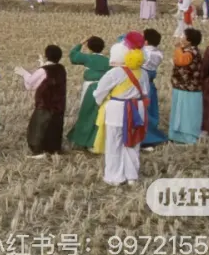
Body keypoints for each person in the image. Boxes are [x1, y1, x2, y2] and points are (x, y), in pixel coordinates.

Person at [92, 33, 149, 186]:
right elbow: (146, 93)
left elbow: (99, 92)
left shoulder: (115, 73)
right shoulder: (143, 73)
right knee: (132, 142)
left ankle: (114, 176)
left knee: (114, 143)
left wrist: (100, 100)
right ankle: (132, 176)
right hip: (137, 111)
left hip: (117, 111)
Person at [14, 44, 66, 158]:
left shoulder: (43, 71)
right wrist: (43, 63)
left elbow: (30, 84)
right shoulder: (61, 69)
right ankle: (53, 149)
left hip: (45, 104)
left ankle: (39, 151)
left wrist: (23, 72)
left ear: (47, 55)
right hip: (59, 105)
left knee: (39, 128)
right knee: (54, 127)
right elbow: (50, 75)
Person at [66, 36, 110, 151]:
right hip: (105, 88)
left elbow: (73, 56)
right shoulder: (108, 60)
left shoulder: (88, 58)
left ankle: (85, 140)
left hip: (90, 88)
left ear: (89, 47)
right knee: (99, 114)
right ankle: (97, 140)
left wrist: (80, 44)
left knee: (86, 112)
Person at [169, 27, 205, 144]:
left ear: (189, 41)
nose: (181, 38)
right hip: (185, 88)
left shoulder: (190, 52)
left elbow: (180, 61)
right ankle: (179, 136)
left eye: (183, 36)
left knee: (186, 114)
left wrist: (178, 48)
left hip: (188, 88)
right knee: (183, 112)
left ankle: (187, 137)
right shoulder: (192, 51)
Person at [140, 29, 168, 147]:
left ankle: (145, 138)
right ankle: (152, 135)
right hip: (151, 85)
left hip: (141, 84)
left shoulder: (144, 53)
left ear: (145, 41)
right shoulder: (159, 53)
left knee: (142, 112)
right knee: (151, 110)